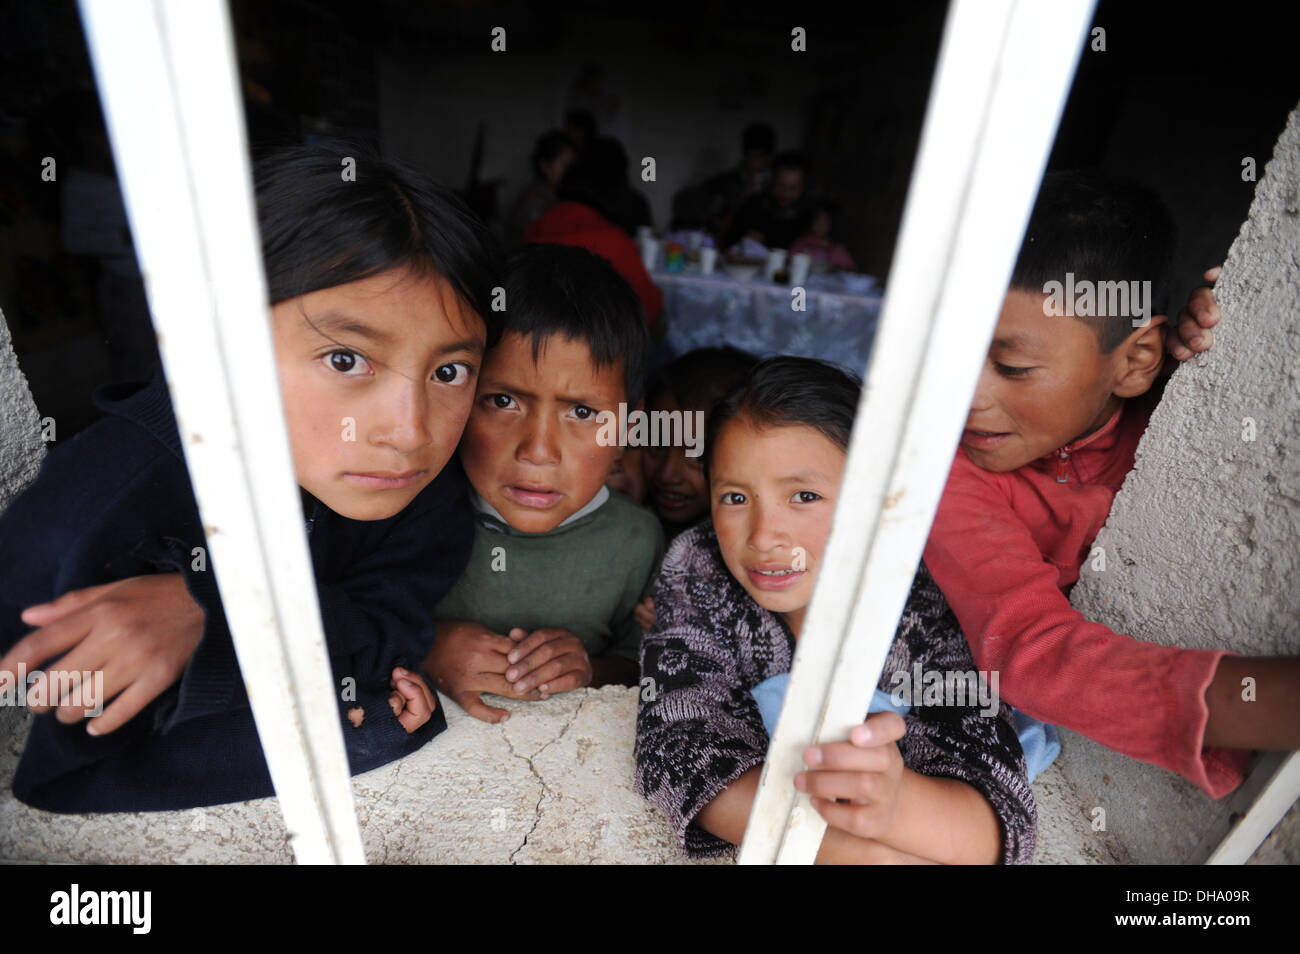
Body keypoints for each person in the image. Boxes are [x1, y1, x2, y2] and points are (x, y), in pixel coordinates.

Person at [0, 142, 501, 812]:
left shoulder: (418, 492)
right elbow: (60, 774)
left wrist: (220, 609)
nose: (409, 432)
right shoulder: (93, 518)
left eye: (448, 372)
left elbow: (394, 627)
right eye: (346, 359)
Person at [924, 170, 1300, 799]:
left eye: (1012, 367)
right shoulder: (945, 467)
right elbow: (1028, 649)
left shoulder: (1178, 417)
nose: (966, 397)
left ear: (1135, 359)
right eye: (947, 357)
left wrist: (1223, 359)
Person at [636, 357, 1036, 863]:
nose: (763, 537)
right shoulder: (699, 564)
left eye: (804, 495)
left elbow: (997, 819)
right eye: (735, 497)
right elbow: (676, 747)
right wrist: (861, 854)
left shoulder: (925, 594)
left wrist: (897, 806)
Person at [423, 244, 664, 724]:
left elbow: (649, 666)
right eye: (503, 401)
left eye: (582, 412)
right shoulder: (412, 516)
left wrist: (590, 670)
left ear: (628, 430)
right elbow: (339, 627)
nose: (538, 450)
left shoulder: (637, 542)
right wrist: (428, 647)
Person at [525, 148, 663, 326]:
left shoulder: (536, 227)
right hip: (600, 343)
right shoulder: (613, 241)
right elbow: (648, 307)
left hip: (536, 335)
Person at [671, 122, 775, 235]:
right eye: (751, 156)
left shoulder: (777, 184)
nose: (754, 162)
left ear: (768, 158)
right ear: (745, 156)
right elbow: (694, 203)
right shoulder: (728, 181)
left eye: (759, 157)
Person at [721, 150, 815, 252]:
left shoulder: (811, 215)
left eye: (793, 188)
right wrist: (744, 240)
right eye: (781, 185)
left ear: (804, 187)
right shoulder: (754, 206)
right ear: (772, 181)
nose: (785, 193)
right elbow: (728, 243)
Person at [502, 129, 576, 245]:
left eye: (572, 165)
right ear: (545, 166)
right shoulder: (535, 201)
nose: (571, 171)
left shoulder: (559, 195)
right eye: (565, 164)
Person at [789, 199, 856, 271]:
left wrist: (835, 268)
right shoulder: (803, 242)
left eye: (824, 223)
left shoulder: (835, 248)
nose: (820, 226)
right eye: (817, 221)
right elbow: (790, 258)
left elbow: (850, 267)